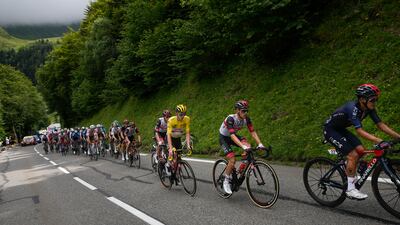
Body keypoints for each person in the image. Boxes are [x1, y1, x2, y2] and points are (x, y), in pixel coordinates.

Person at [323, 83, 400, 200]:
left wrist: (398, 137)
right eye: (373, 100)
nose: (374, 102)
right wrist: (379, 140)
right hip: (330, 130)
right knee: (353, 155)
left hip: (340, 129)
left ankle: (350, 168)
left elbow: (381, 125)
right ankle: (350, 189)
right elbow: (359, 131)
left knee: (361, 150)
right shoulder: (353, 108)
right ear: (362, 99)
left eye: (376, 100)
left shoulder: (368, 108)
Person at [219, 100, 266, 194]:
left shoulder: (246, 119)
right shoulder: (231, 119)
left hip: (233, 136)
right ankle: (226, 181)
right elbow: (232, 135)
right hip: (224, 137)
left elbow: (252, 132)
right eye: (243, 111)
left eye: (246, 111)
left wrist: (260, 143)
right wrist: (242, 146)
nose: (245, 113)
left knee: (248, 146)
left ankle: (242, 169)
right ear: (237, 110)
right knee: (232, 160)